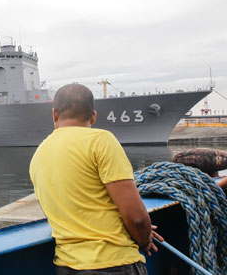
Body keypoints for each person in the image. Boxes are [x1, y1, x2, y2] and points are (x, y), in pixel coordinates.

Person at [29, 84, 163, 274]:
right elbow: (137, 218)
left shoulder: (39, 154)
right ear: (93, 116)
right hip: (115, 264)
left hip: (66, 266)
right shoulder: (101, 141)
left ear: (54, 115)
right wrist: (144, 239)